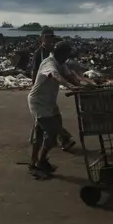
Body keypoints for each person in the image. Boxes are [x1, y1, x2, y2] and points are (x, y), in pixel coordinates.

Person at [28, 41, 79, 176]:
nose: (67, 58)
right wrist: (70, 86)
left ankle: (34, 161)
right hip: (38, 102)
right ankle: (41, 161)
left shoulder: (61, 63)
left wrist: (82, 85)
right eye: (67, 55)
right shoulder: (48, 63)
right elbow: (55, 75)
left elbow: (70, 76)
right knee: (51, 133)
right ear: (61, 54)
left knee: (41, 132)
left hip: (50, 102)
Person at [30, 27, 76, 151]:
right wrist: (34, 83)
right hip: (42, 89)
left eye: (52, 36)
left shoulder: (56, 52)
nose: (50, 39)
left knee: (48, 120)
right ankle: (61, 140)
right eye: (47, 36)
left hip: (49, 92)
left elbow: (67, 72)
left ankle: (39, 145)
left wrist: (78, 84)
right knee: (44, 121)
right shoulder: (39, 53)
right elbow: (41, 70)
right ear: (42, 38)